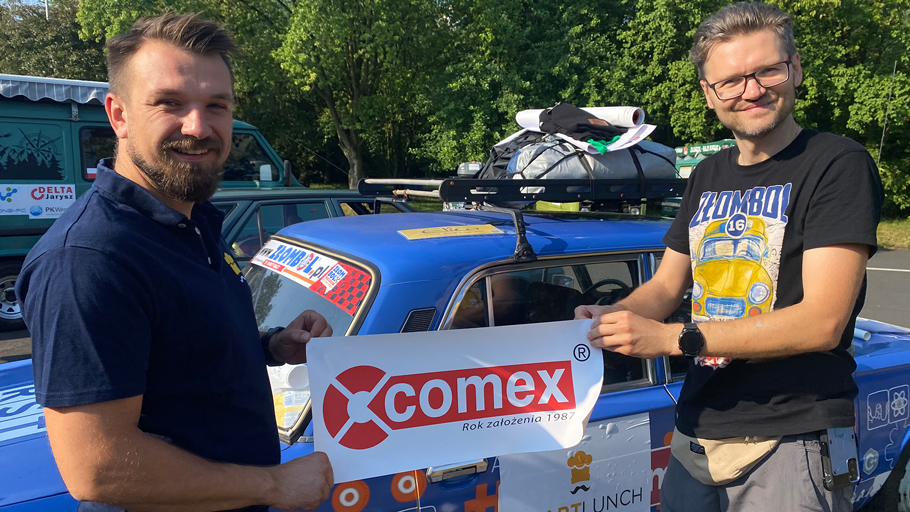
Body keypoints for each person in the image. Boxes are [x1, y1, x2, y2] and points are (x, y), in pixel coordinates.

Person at [15, 13, 333, 512]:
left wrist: (272, 345)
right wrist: (273, 485)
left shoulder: (191, 219)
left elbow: (180, 351)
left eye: (216, 105)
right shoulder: (89, 259)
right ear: (119, 115)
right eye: (170, 103)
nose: (198, 127)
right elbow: (99, 468)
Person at [575, 2, 882, 511]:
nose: (751, 90)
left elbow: (823, 322)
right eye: (731, 81)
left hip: (790, 433)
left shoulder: (837, 163)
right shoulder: (707, 174)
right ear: (709, 93)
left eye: (767, 71)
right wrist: (613, 315)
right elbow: (666, 286)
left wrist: (672, 338)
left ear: (795, 68)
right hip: (697, 429)